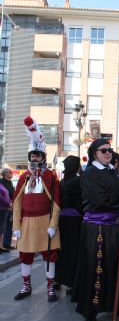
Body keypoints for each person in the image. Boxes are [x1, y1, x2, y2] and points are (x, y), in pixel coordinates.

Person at [72, 138, 119, 321]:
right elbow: (99, 200)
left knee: (111, 266)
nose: (107, 153)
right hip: (97, 229)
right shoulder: (90, 173)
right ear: (95, 153)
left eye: (110, 150)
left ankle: (110, 304)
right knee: (95, 268)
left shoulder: (113, 171)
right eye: (103, 150)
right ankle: (90, 311)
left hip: (114, 227)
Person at [13, 116, 61, 302]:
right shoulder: (24, 177)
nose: (35, 158)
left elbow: (56, 202)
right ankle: (26, 285)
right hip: (26, 223)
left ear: (43, 157)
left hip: (45, 222)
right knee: (25, 255)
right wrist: (16, 226)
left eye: (38, 155)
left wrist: (53, 224)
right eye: (32, 155)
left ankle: (50, 288)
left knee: (50, 255)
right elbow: (16, 203)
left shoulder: (50, 176)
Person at [55, 155, 83, 295]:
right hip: (75, 221)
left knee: (61, 250)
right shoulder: (78, 181)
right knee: (73, 251)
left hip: (62, 220)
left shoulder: (62, 182)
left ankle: (58, 279)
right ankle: (71, 283)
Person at [0, 168, 15, 250]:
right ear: (5, 173)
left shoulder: (10, 182)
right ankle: (2, 245)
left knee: (9, 225)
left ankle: (6, 244)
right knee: (2, 227)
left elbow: (12, 193)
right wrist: (8, 204)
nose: (12, 174)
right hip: (4, 207)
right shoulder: (1, 182)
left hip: (10, 206)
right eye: (10, 172)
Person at [0, 182, 11, 253]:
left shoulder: (1, 184)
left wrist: (10, 202)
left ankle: (1, 246)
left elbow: (7, 194)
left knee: (1, 230)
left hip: (4, 209)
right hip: (1, 209)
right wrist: (8, 204)